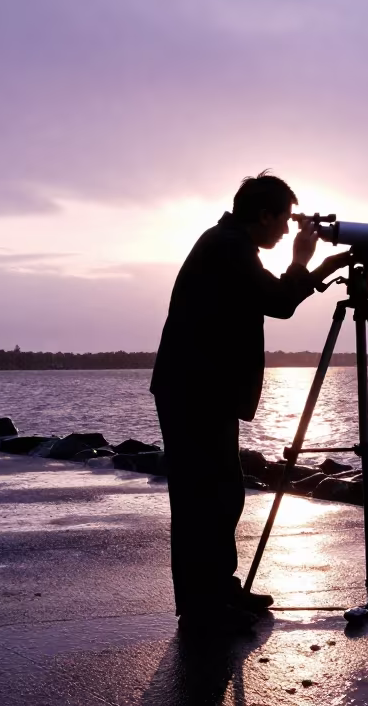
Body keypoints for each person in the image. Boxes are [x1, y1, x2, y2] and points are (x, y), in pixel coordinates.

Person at [150, 171, 353, 634]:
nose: (284, 231)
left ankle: (218, 589)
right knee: (204, 497)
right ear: (263, 215)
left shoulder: (227, 243)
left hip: (200, 388)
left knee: (220, 494)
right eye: (283, 220)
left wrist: (317, 268)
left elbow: (273, 298)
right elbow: (278, 302)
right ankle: (204, 606)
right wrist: (305, 260)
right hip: (196, 389)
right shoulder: (229, 247)